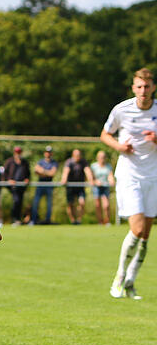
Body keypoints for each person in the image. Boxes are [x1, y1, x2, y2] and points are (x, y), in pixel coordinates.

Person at [101, 67, 157, 300]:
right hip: (129, 175)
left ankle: (131, 282)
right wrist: (120, 147)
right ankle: (120, 277)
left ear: (153, 87)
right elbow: (105, 135)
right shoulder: (122, 109)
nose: (143, 91)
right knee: (136, 228)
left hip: (153, 176)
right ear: (133, 88)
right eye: (139, 86)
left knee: (145, 234)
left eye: (147, 86)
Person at [59, 149, 93, 225]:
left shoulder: (83, 162)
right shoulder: (69, 162)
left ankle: (79, 220)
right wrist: (64, 179)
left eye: (79, 155)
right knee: (70, 204)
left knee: (82, 202)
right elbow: (66, 171)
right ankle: (73, 221)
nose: (78, 157)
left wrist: (91, 180)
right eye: (76, 155)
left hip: (80, 187)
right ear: (73, 155)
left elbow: (87, 171)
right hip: (70, 187)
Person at [30, 146, 58, 225]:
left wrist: (42, 171)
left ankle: (48, 220)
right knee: (36, 203)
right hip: (40, 184)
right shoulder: (40, 162)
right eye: (46, 152)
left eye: (49, 152)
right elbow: (36, 170)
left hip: (49, 185)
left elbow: (52, 173)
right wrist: (47, 172)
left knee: (49, 204)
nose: (48, 154)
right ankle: (34, 220)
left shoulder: (54, 162)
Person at [2, 146, 30, 226]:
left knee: (20, 202)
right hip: (13, 187)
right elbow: (4, 174)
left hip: (22, 187)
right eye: (17, 152)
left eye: (19, 152)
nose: (18, 154)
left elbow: (28, 174)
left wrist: (27, 179)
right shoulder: (9, 162)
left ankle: (18, 219)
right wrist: (9, 181)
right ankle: (14, 219)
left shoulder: (25, 162)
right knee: (16, 201)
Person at [90, 150, 115, 226]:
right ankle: (100, 222)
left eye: (104, 157)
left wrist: (112, 181)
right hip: (97, 187)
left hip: (105, 187)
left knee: (106, 205)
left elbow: (110, 176)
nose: (102, 159)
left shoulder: (108, 166)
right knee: (98, 205)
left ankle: (107, 221)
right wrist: (95, 181)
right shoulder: (93, 166)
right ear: (97, 158)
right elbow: (91, 177)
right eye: (101, 157)